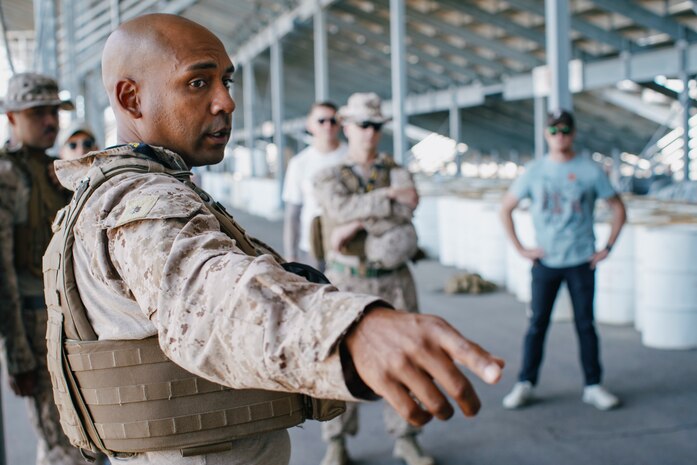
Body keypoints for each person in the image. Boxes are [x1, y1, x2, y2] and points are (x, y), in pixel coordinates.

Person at [43, 13, 503, 465]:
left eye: (227, 81)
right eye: (198, 83)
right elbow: (212, 301)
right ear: (132, 98)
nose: (226, 101)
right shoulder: (144, 200)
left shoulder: (122, 186)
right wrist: (351, 330)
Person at [313, 92, 431, 465]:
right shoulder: (328, 174)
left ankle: (407, 436)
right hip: (348, 280)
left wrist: (358, 221)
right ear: (346, 126)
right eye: (363, 125)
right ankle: (337, 440)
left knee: (405, 358)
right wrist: (385, 202)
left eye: (376, 126)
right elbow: (338, 207)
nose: (370, 133)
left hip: (394, 281)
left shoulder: (397, 170)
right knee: (342, 360)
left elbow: (407, 208)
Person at [500, 109, 626, 411]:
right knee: (537, 325)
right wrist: (521, 248)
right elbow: (505, 209)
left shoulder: (590, 170)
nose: (560, 136)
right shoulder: (534, 171)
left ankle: (593, 385)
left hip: (581, 261)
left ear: (574, 133)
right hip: (545, 262)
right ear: (546, 134)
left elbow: (618, 208)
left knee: (585, 325)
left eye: (565, 130)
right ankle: (525, 383)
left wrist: (607, 246)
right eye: (554, 131)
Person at [0, 73, 96, 465]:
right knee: (60, 439)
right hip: (36, 323)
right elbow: (2, 271)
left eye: (54, 111)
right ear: (12, 118)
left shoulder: (55, 169)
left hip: (69, 316)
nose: (50, 121)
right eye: (38, 112)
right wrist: (18, 356)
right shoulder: (8, 176)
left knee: (83, 430)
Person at [283, 101, 347, 270]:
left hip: (347, 246)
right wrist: (291, 254)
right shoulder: (299, 163)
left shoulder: (351, 157)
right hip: (311, 248)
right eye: (321, 121)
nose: (328, 125)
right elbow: (293, 214)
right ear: (310, 125)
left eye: (333, 121)